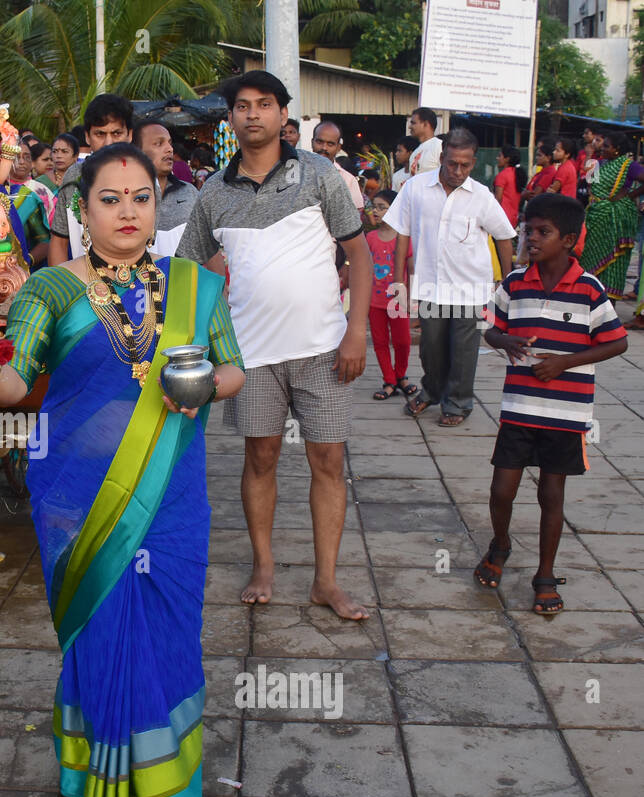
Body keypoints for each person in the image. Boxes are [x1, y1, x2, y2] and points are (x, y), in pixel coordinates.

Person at [0, 143, 245, 797]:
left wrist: (200, 383)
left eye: (140, 197)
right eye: (109, 198)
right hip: (78, 500)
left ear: (159, 205)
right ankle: (101, 776)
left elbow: (235, 371)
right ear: (80, 211)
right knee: (105, 633)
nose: (127, 211)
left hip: (171, 496)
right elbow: (15, 385)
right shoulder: (49, 291)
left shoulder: (195, 288)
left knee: (172, 634)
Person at [177, 70, 372, 620]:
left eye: (265, 104)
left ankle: (326, 581)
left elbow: (359, 256)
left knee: (328, 460)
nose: (254, 114)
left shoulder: (320, 175)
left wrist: (356, 333)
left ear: (284, 115)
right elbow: (193, 269)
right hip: (251, 357)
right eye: (243, 106)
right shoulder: (214, 191)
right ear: (231, 118)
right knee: (259, 457)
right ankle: (263, 565)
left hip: (324, 349)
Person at [477, 194, 627, 614]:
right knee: (501, 487)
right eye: (528, 230)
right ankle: (501, 542)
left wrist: (565, 362)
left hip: (565, 412)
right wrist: (502, 340)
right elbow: (491, 329)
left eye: (543, 232)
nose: (531, 239)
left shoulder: (589, 289)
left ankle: (545, 572)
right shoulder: (515, 283)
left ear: (570, 239)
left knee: (551, 493)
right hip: (519, 407)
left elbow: (617, 341)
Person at [388, 127, 516, 427]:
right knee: (431, 349)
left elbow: (504, 237)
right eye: (452, 164)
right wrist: (398, 283)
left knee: (463, 351)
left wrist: (509, 282)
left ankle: (458, 402)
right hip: (430, 287)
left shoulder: (481, 196)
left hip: (470, 289)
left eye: (466, 165)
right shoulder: (415, 188)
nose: (458, 171)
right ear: (442, 157)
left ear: (472, 162)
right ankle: (432, 390)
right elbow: (402, 234)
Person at [49, 94, 133, 265]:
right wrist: (62, 289)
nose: (109, 142)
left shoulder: (145, 176)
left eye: (116, 133)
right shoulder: (74, 176)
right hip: (84, 284)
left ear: (129, 135)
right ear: (87, 137)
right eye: (100, 134)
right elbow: (59, 241)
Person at [580, 132, 644, 305]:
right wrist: (588, 155)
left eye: (607, 146)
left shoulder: (629, 166)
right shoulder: (598, 163)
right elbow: (589, 182)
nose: (602, 148)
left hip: (616, 219)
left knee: (612, 263)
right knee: (591, 258)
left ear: (617, 150)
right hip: (597, 217)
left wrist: (629, 196)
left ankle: (608, 310)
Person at [365, 189, 416, 401]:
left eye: (381, 207)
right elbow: (363, 268)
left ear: (394, 210)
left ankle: (401, 375)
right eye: (373, 207)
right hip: (374, 302)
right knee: (380, 341)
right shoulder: (369, 237)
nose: (375, 212)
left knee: (403, 341)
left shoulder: (404, 238)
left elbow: (411, 270)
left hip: (398, 302)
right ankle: (390, 380)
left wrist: (412, 301)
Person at [133, 118, 196, 255]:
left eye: (170, 143)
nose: (169, 149)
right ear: (137, 151)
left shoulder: (189, 192)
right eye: (158, 143)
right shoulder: (126, 198)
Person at [311, 121, 365, 212]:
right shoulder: (297, 174)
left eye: (330, 144)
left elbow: (354, 217)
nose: (324, 148)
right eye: (320, 142)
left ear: (338, 147)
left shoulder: (348, 180)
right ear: (312, 142)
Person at [493, 144, 526, 229]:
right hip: (513, 218)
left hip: (502, 218)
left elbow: (498, 199)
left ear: (507, 159)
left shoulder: (502, 175)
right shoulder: (516, 174)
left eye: (500, 156)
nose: (497, 158)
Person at [407, 107, 441, 177]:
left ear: (425, 124)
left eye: (413, 123)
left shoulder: (439, 146)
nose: (409, 127)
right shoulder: (415, 153)